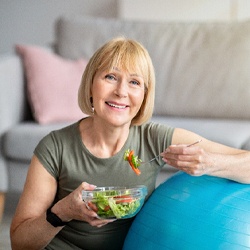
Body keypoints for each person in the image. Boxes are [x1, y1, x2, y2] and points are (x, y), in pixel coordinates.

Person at [10, 37, 250, 250]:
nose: (121, 91)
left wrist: (211, 163)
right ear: (91, 85)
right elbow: (20, 242)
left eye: (134, 82)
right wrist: (63, 211)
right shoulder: (54, 147)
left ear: (145, 94)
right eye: (110, 77)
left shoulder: (154, 138)